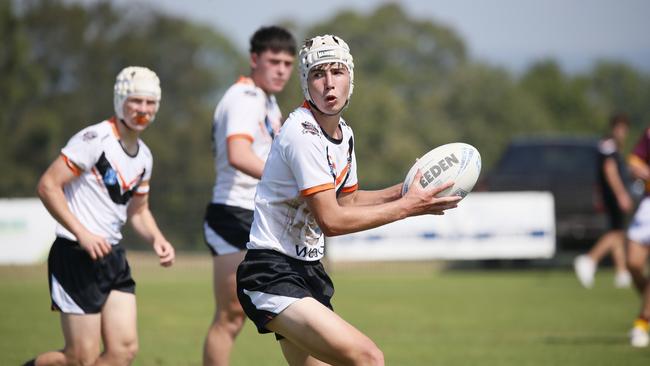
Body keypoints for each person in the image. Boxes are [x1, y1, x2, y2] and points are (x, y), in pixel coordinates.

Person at [236, 34, 462, 365]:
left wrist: (407, 190)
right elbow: (332, 220)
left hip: (308, 270)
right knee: (369, 358)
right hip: (272, 273)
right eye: (318, 73)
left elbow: (349, 202)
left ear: (350, 79)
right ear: (306, 82)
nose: (329, 83)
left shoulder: (345, 134)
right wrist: (408, 207)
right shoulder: (303, 134)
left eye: (337, 71)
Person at [24, 66, 175, 366]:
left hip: (113, 258)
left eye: (149, 103)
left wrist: (157, 238)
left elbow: (139, 211)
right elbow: (48, 186)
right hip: (75, 255)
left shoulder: (144, 155)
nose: (142, 109)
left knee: (123, 351)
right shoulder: (94, 138)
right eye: (135, 101)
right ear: (120, 100)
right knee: (80, 358)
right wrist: (83, 233)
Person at [202, 26, 296, 366]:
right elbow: (238, 155)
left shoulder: (268, 102)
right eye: (274, 60)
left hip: (259, 214)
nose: (282, 69)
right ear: (254, 59)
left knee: (291, 308)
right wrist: (291, 187)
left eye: (287, 62)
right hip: (233, 213)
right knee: (231, 316)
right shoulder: (244, 98)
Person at [574, 114, 633, 288]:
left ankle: (622, 273)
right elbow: (610, 170)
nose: (623, 132)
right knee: (615, 233)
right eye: (620, 128)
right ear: (614, 128)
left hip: (613, 195)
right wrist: (621, 194)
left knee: (618, 232)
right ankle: (589, 259)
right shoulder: (608, 146)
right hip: (612, 195)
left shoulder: (614, 147)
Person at [625, 125, 650, 347]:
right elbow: (634, 161)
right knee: (632, 263)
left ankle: (642, 323)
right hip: (648, 205)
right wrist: (642, 170)